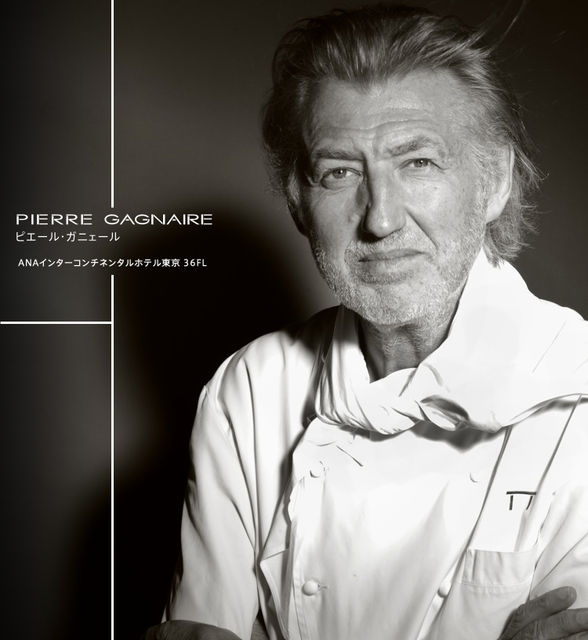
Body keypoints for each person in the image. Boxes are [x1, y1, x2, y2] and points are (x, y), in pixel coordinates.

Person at [146, 5, 588, 639]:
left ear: (494, 182)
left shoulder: (577, 392)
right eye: (339, 172)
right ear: (299, 203)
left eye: (418, 162)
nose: (380, 219)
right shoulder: (250, 390)